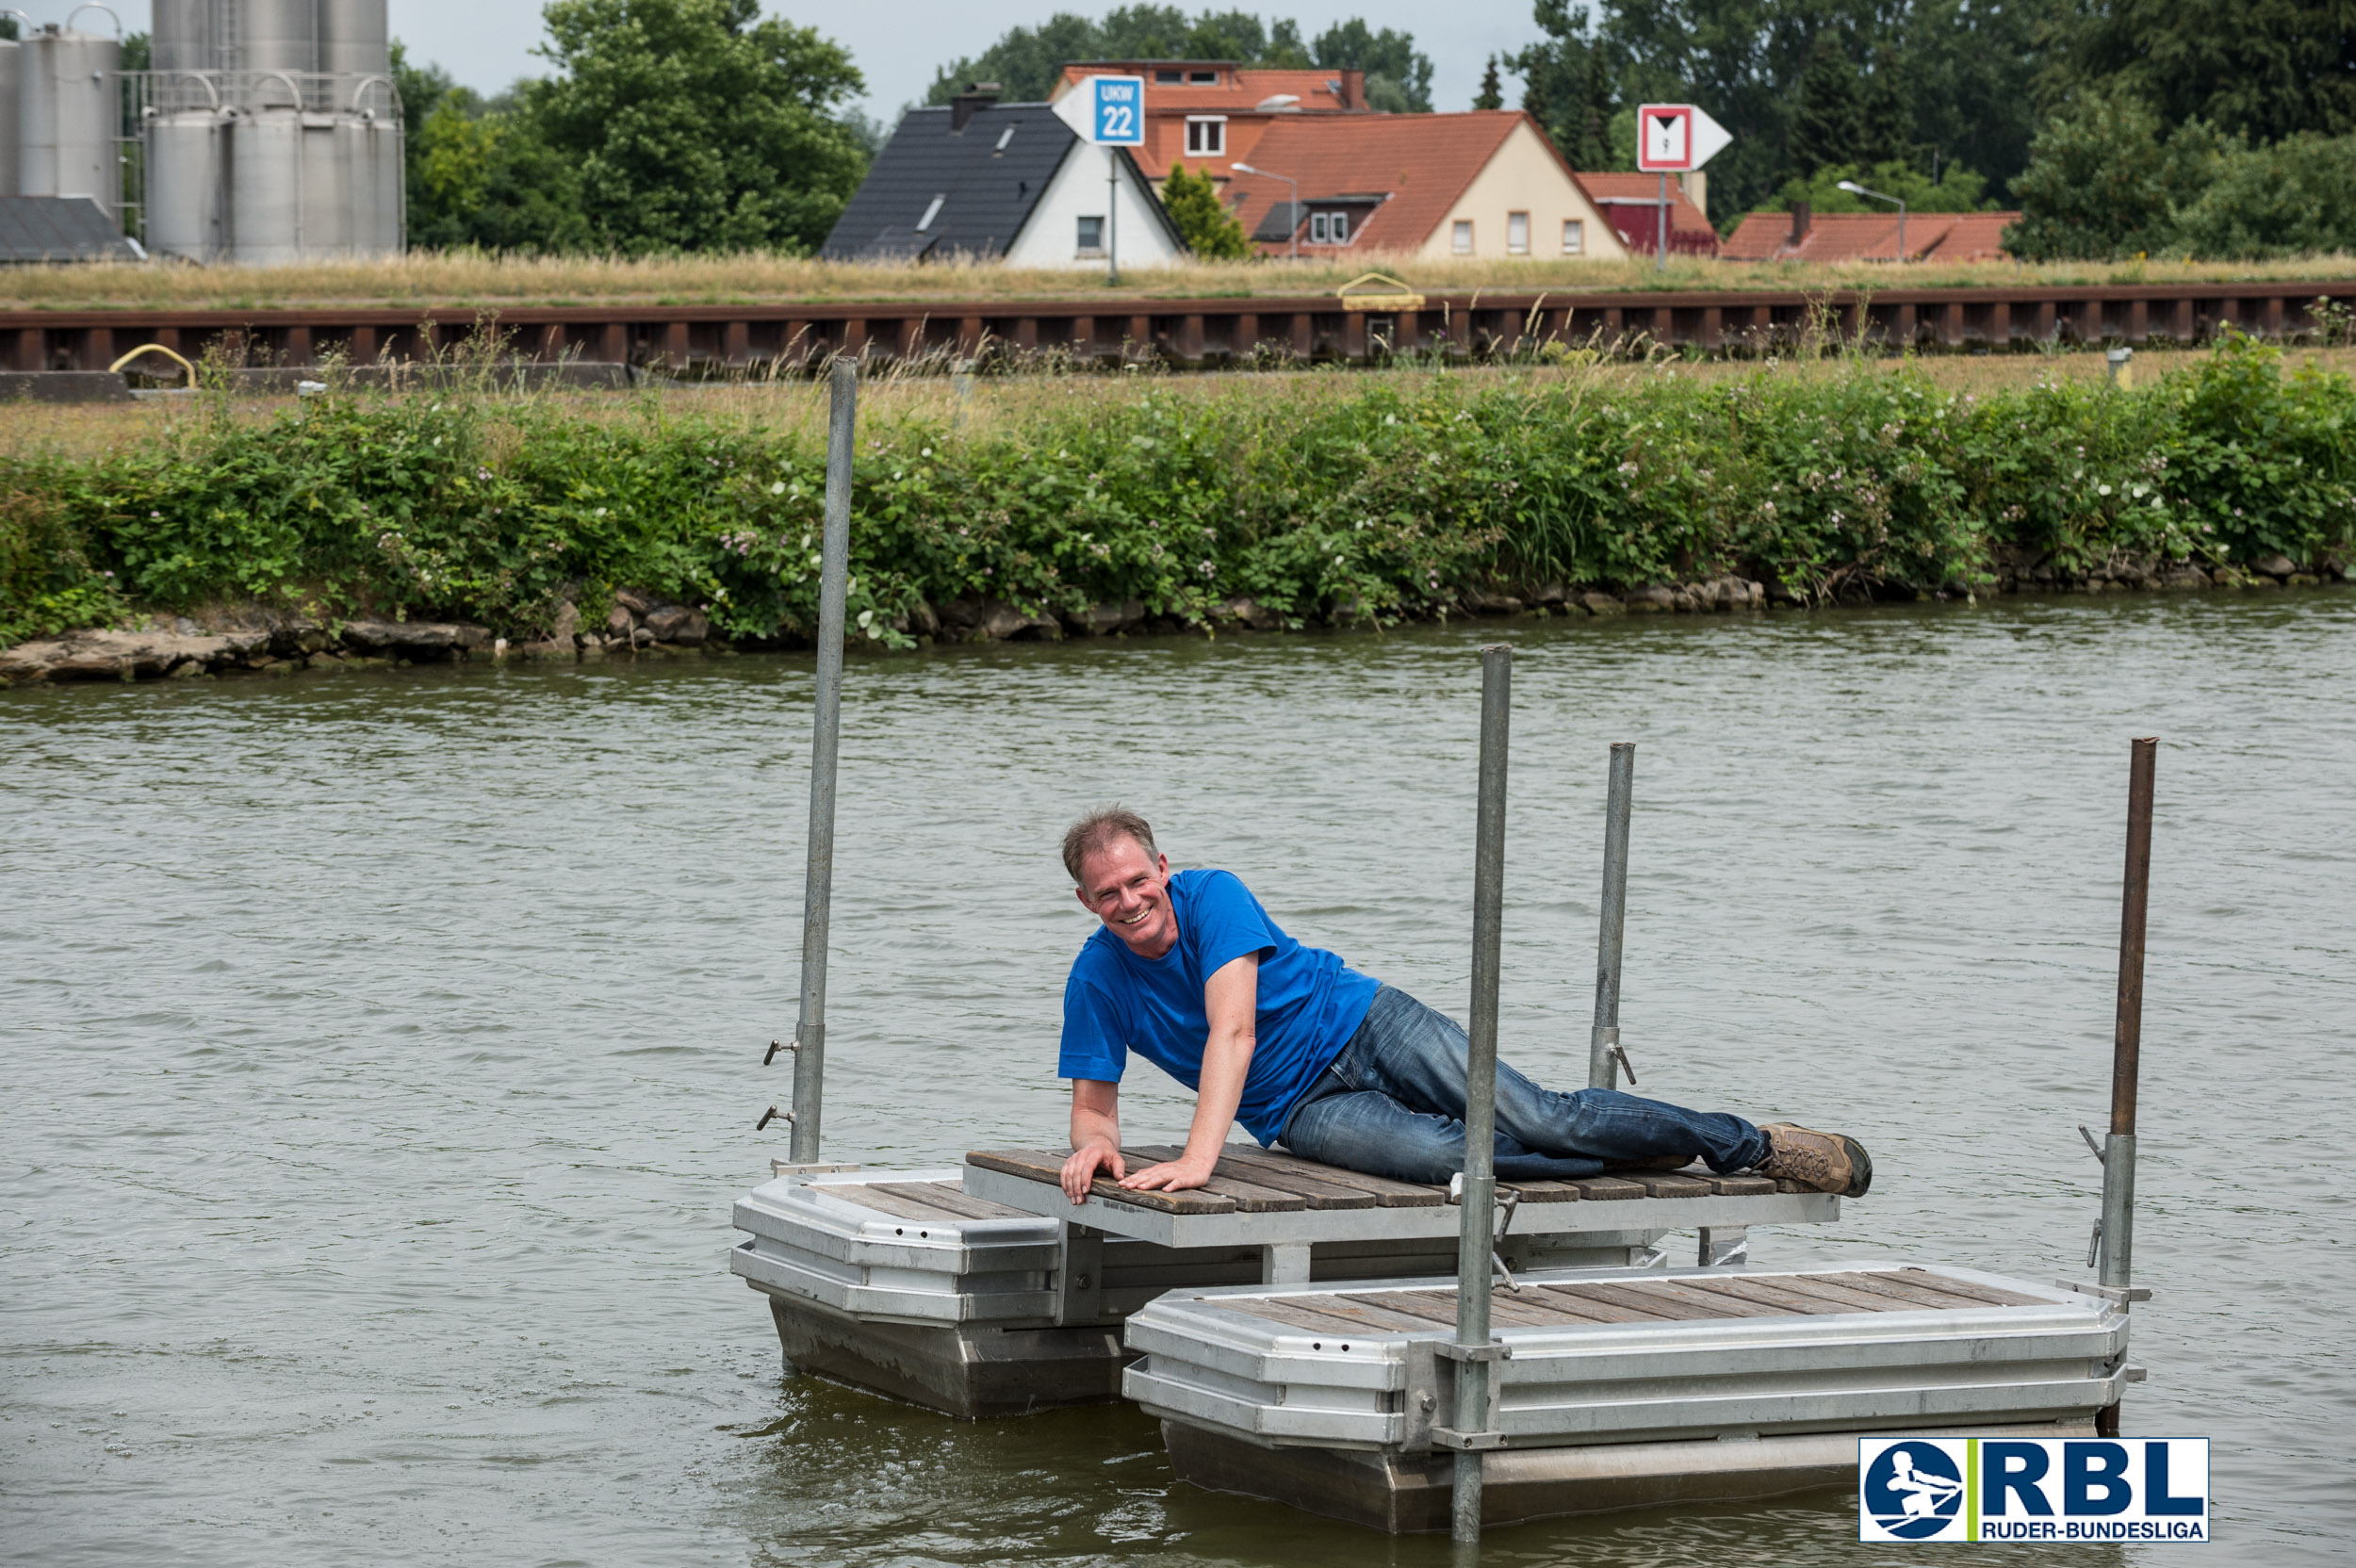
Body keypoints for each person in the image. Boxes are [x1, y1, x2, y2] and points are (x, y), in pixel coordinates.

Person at [1053, 807, 1873, 1203]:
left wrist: (1201, 1161)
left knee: (1542, 1117)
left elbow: (1232, 1030)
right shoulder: (1096, 980)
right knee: (1459, 1160)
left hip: (1365, 1021)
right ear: (1088, 904)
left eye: (1139, 880)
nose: (1130, 901)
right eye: (1108, 894)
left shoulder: (1213, 896)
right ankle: (1637, 1150)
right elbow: (1094, 1106)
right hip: (1299, 1108)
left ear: (1164, 866)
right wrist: (1093, 1150)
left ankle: (1752, 1142)